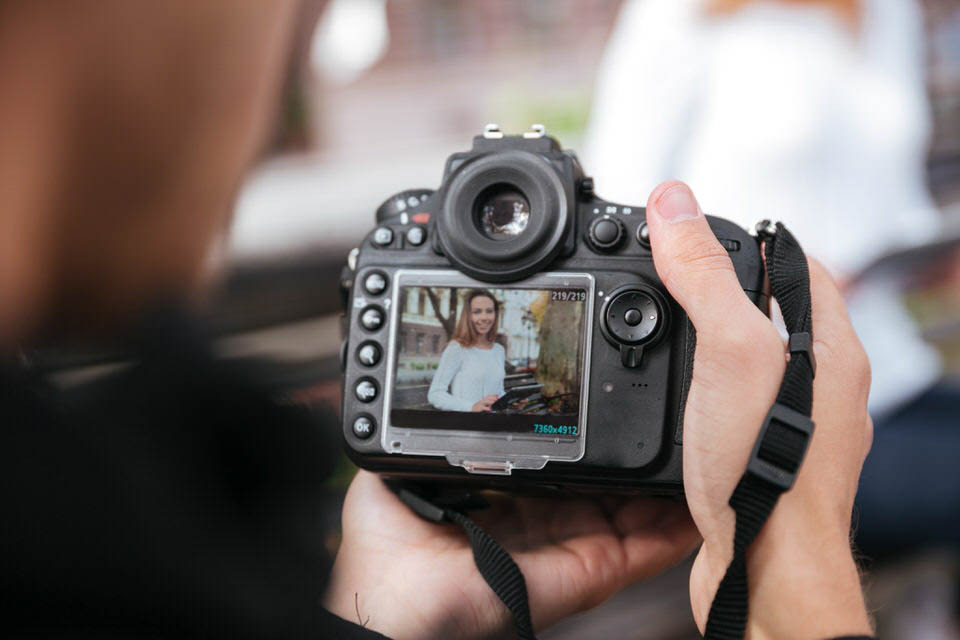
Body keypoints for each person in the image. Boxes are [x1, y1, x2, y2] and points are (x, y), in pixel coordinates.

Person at [0, 2, 875, 639]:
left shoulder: (77, 533)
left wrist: (372, 610)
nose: (285, 57)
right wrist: (790, 567)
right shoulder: (95, 561)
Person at [584, 0, 960, 560]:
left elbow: (893, 201)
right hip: (771, 412)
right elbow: (612, 217)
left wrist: (926, 252)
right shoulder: (677, 14)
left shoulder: (885, 11)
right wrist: (771, 278)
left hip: (891, 375)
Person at [427, 289, 506, 412]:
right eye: (477, 312)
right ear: (468, 316)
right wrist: (472, 407)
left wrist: (510, 402)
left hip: (493, 424)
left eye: (489, 311)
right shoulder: (457, 348)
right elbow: (435, 394)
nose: (484, 317)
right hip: (466, 423)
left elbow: (498, 391)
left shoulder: (499, 350)